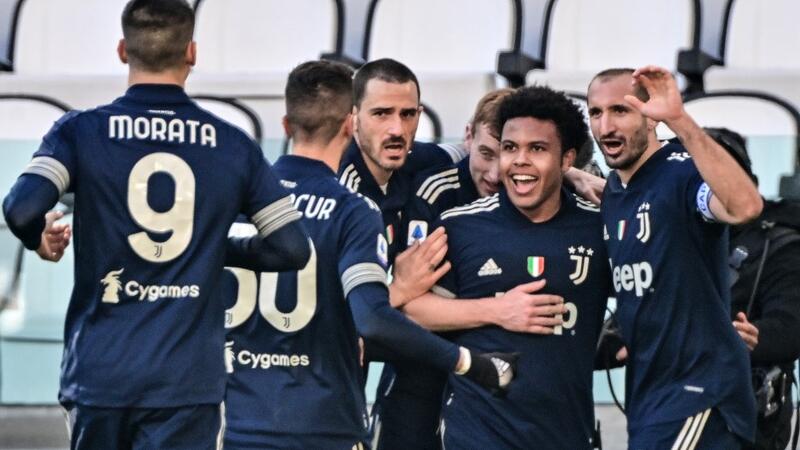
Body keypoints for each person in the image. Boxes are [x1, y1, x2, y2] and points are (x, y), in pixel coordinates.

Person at [2, 1, 311, 448]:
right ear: (192, 53)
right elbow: (292, 248)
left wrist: (37, 238)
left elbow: (20, 209)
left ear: (122, 50)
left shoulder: (79, 132)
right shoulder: (234, 145)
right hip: (186, 382)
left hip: (100, 375)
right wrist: (210, 248)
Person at [222, 60, 518, 450]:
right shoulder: (349, 203)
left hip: (246, 415)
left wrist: (571, 173)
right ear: (352, 121)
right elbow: (360, 315)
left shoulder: (246, 195)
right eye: (381, 114)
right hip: (321, 413)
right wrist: (399, 291)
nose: (397, 128)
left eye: (408, 114)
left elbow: (469, 153)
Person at [401, 85, 610, 449]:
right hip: (477, 434)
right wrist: (497, 311)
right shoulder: (458, 226)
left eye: (537, 149)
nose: (519, 161)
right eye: (510, 148)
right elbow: (411, 311)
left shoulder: (599, 227)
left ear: (566, 160)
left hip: (566, 434)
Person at [587, 66, 761, 448]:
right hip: (650, 397)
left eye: (621, 110)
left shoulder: (682, 172)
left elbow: (746, 206)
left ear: (651, 118)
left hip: (700, 393)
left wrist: (680, 119)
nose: (606, 126)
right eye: (596, 113)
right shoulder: (615, 190)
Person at [704, 127, 800, 450]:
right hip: (668, 413)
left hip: (749, 425)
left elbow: (790, 329)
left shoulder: (779, 245)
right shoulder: (671, 242)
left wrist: (749, 337)